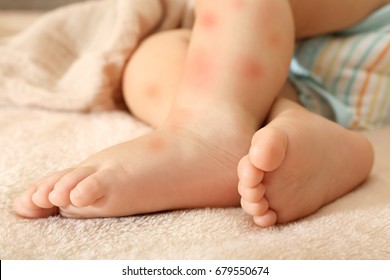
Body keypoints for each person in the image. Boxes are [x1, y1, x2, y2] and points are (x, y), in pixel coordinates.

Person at [14, 0, 388, 227]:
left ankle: (209, 130)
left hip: (369, 29)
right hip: (282, 88)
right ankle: (291, 125)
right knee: (150, 57)